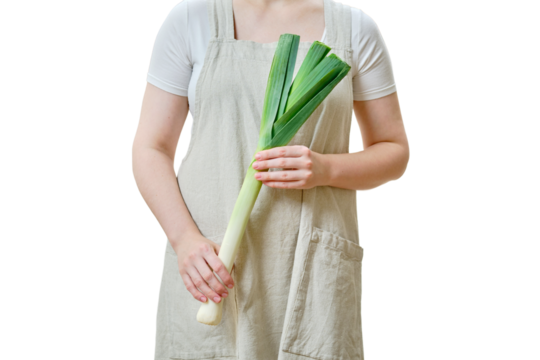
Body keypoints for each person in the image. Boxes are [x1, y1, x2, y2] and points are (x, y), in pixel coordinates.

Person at [131, 0, 409, 359]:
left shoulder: (354, 28)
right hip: (210, 264)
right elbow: (150, 149)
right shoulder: (191, 19)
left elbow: (394, 151)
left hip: (311, 270)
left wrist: (325, 168)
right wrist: (185, 240)